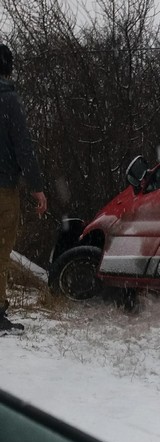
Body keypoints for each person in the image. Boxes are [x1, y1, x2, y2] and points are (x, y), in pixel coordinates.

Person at [0, 44, 47, 334]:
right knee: (0, 251)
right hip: (3, 188)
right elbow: (23, 147)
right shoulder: (8, 100)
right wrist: (37, 187)